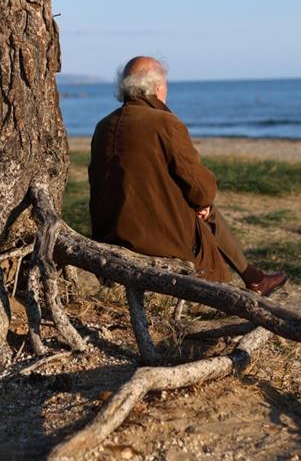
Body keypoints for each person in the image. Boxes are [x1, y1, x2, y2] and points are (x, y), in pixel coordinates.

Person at [88, 56, 288, 296]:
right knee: (206, 207)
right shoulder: (165, 123)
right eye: (165, 84)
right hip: (157, 242)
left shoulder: (103, 126)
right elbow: (202, 190)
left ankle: (255, 278)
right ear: (157, 87)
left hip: (109, 236)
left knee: (196, 204)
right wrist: (200, 203)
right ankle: (254, 279)